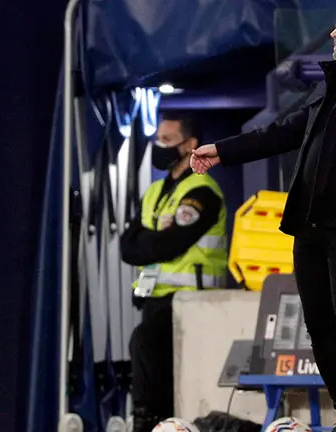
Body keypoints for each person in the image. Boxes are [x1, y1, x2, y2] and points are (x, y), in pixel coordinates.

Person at [190, 4, 336, 432]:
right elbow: (280, 132)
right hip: (309, 220)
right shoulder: (327, 87)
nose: (334, 33)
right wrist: (222, 150)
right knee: (318, 321)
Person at [120, 111, 228, 432]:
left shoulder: (201, 192)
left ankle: (146, 419)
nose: (159, 146)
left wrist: (148, 240)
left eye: (167, 140)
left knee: (144, 343)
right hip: (154, 299)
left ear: (190, 145)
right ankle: (159, 421)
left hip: (190, 302)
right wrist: (152, 241)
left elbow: (170, 245)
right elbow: (127, 246)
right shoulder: (155, 191)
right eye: (157, 140)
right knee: (159, 365)